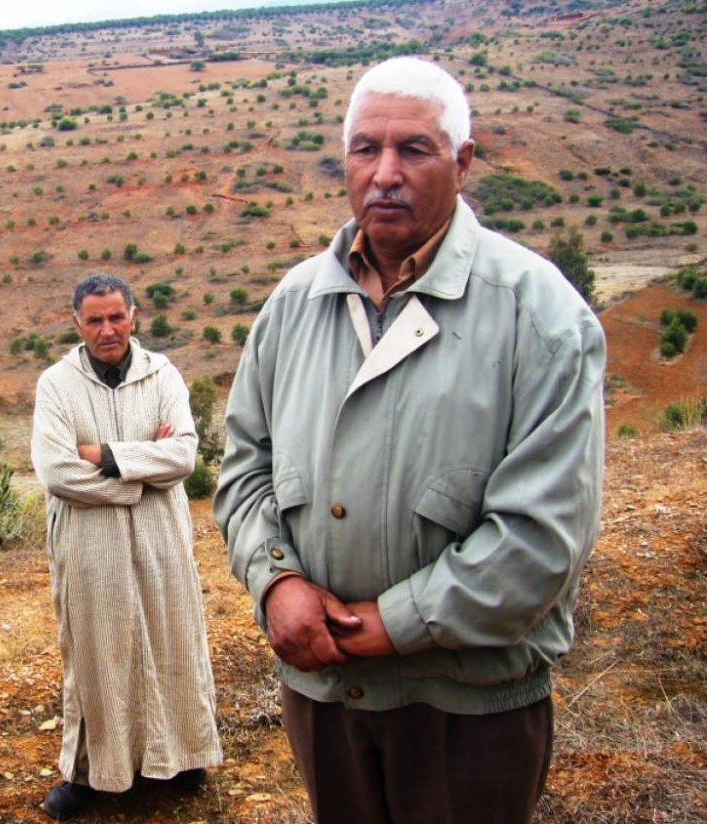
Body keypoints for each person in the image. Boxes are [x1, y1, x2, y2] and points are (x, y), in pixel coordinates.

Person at [214, 56, 605, 824]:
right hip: (323, 697)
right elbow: (243, 472)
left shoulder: (540, 314)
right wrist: (277, 584)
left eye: (414, 150)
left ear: (461, 163)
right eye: (366, 149)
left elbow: (542, 539)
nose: (384, 173)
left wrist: (387, 628)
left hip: (468, 708)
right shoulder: (294, 304)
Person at [31, 273, 223, 820]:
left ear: (134, 316)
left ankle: (183, 755)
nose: (107, 329)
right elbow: (57, 471)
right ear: (77, 324)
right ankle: (91, 774)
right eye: (95, 319)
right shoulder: (56, 385)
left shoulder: (163, 375)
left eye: (117, 316)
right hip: (90, 550)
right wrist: (142, 472)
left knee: (172, 641)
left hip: (161, 542)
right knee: (96, 653)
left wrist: (108, 456)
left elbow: (183, 454)